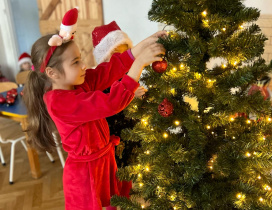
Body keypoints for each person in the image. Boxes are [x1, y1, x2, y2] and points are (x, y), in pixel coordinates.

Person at [23, 7, 166, 210]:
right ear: (52, 73)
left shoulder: (77, 83)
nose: (83, 65)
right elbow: (111, 103)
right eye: (75, 62)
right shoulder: (60, 102)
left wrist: (144, 44)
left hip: (103, 165)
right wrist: (139, 64)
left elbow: (107, 70)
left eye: (80, 58)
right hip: (86, 176)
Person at [92, 21, 147, 201]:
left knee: (128, 170)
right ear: (106, 57)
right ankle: (113, 201)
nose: (122, 58)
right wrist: (130, 93)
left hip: (129, 133)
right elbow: (109, 102)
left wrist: (138, 95)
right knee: (113, 175)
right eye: (117, 55)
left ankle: (126, 198)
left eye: (125, 53)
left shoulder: (129, 74)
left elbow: (133, 95)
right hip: (112, 137)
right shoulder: (101, 81)